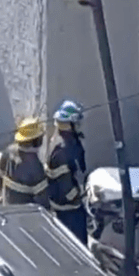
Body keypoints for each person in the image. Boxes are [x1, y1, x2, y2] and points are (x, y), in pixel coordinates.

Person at [46, 100, 89, 244]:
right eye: (76, 123)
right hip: (68, 209)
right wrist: (79, 198)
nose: (79, 126)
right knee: (77, 243)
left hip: (69, 205)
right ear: (69, 124)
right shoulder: (62, 150)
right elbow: (65, 185)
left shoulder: (66, 141)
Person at [0, 119, 49, 207]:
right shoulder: (36, 167)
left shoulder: (9, 151)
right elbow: (43, 199)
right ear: (36, 141)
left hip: (7, 204)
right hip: (24, 213)